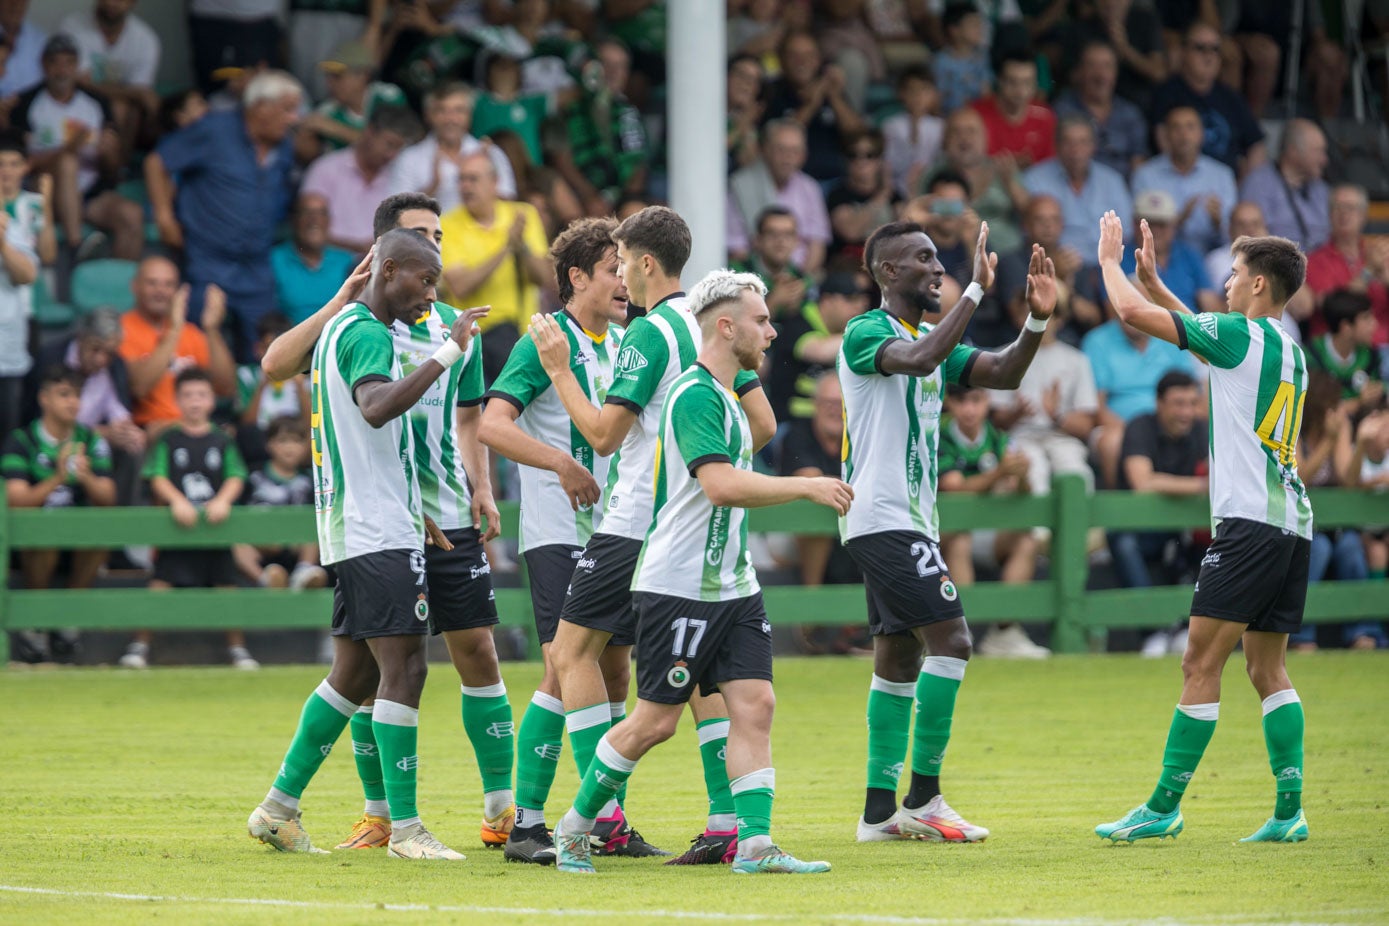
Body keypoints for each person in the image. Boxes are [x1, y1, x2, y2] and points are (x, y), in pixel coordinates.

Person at [551, 269, 852, 876]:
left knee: (756, 704)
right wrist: (807, 486)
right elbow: (717, 485)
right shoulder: (693, 395)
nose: (772, 331)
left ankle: (757, 846)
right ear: (726, 326)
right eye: (762, 320)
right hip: (679, 583)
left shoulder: (728, 397)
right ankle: (574, 829)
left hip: (733, 584)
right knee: (655, 721)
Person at [257, 191, 512, 854]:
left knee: (357, 673)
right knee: (403, 668)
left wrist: (435, 502)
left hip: (403, 516)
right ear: (383, 262)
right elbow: (372, 408)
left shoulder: (396, 324)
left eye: (438, 260)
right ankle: (399, 824)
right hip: (372, 529)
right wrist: (446, 354)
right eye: (421, 262)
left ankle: (278, 807)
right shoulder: (360, 328)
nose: (434, 282)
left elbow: (444, 423)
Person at [526, 207, 776, 867]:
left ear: (640, 262)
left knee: (571, 655)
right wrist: (701, 463)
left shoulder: (647, 333)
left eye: (619, 261)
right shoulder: (706, 327)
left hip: (633, 521)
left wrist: (557, 369)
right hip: (694, 534)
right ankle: (728, 822)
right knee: (703, 680)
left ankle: (596, 818)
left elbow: (602, 435)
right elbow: (763, 423)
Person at [1095, 212, 1313, 844]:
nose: (1226, 279)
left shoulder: (1237, 335)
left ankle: (1163, 807)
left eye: (1237, 273)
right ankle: (1289, 811)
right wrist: (1158, 284)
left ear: (1260, 288)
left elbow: (1134, 319)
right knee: (1267, 670)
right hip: (1291, 522)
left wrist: (1110, 264)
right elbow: (1192, 329)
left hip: (1246, 523)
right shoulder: (1288, 349)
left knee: (1198, 661)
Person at [840, 220, 1057, 843]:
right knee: (955, 641)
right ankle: (926, 798)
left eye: (940, 258)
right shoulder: (869, 331)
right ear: (887, 272)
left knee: (899, 658)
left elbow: (1005, 372)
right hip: (884, 516)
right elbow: (921, 358)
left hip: (905, 519)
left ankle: (879, 814)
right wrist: (976, 294)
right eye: (924, 258)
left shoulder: (927, 336)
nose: (938, 268)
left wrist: (1035, 322)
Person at [476, 216, 633, 865]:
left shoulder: (626, 341)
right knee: (562, 665)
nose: (625, 281)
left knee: (616, 666)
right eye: (612, 270)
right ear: (576, 278)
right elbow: (491, 426)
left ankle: (602, 818)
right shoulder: (544, 340)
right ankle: (531, 824)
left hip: (617, 531)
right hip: (557, 535)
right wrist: (561, 463)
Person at [145, 70, 302, 352]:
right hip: (208, 258)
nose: (295, 119)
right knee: (196, 347)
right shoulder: (214, 129)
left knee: (270, 348)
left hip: (256, 263)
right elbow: (157, 163)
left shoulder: (284, 144)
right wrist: (164, 215)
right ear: (260, 108)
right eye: (287, 110)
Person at [119, 367, 256, 671]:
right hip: (179, 530)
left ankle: (238, 649)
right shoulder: (169, 439)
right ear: (177, 400)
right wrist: (177, 501)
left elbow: (236, 476)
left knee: (226, 587)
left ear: (212, 400)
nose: (195, 401)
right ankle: (139, 646)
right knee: (160, 585)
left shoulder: (222, 440)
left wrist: (222, 500)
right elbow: (156, 476)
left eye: (202, 395)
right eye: (188, 395)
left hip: (215, 529)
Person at [2, 365, 116, 664]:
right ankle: (37, 625)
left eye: (77, 395)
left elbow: (108, 497)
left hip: (77, 536)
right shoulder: (21, 440)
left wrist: (86, 476)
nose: (73, 402)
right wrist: (58, 476)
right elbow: (16, 500)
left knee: (99, 536)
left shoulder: (90, 440)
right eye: (64, 395)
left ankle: (68, 621)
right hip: (29, 541)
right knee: (43, 537)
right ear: (44, 398)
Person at [937, 383, 1050, 659]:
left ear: (987, 401)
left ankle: (1004, 633)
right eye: (961, 401)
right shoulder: (938, 439)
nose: (969, 409)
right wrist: (999, 473)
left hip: (990, 535)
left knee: (1026, 540)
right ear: (949, 403)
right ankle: (961, 633)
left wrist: (1021, 475)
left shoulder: (999, 439)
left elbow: (1024, 493)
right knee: (960, 539)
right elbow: (954, 486)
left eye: (976, 400)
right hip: (945, 537)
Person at [13, 34, 144, 260]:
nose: (62, 70)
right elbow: (22, 164)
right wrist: (69, 148)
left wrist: (109, 153)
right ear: (44, 65)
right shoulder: (25, 104)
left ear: (77, 66)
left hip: (91, 194)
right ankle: (77, 248)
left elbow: (113, 169)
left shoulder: (97, 102)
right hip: (47, 196)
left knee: (132, 215)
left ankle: (123, 285)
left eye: (69, 63)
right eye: (55, 62)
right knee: (67, 162)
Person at [1109, 369, 1209, 655]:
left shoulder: (1201, 430)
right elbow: (1143, 482)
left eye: (1192, 403)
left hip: (1184, 529)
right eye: (1179, 403)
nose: (1186, 412)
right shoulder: (1140, 426)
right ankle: (1152, 630)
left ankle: (1186, 630)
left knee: (1217, 543)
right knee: (1124, 543)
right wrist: (1201, 484)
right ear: (1159, 403)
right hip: (1138, 526)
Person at [440, 151, 552, 386]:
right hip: (470, 340)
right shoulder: (448, 224)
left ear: (494, 183)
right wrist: (505, 248)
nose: (465, 186)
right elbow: (460, 287)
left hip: (520, 338)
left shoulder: (523, 214)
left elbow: (543, 278)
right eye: (461, 179)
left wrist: (521, 247)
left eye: (473, 179)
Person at [118, 258, 236, 431]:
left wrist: (212, 330)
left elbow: (226, 388)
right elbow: (139, 387)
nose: (160, 291)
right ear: (134, 286)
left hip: (198, 426)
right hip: (151, 427)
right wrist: (173, 331)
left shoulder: (191, 333)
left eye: (168, 285)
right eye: (152, 283)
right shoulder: (122, 329)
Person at [301, 104, 422, 255]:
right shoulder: (325, 170)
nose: (391, 155)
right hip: (329, 266)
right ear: (369, 133)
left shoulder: (397, 177)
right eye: (389, 144)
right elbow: (308, 229)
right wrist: (356, 247)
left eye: (398, 148)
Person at [1149, 22, 1265, 175]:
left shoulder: (1230, 97)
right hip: (1180, 181)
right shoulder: (1167, 93)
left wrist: (1244, 186)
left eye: (1215, 49)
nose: (1208, 56)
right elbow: (1163, 140)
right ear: (1183, 52)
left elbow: (1256, 146)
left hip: (1226, 188)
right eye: (1200, 48)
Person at [553, 39, 650, 215]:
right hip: (581, 194)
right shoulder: (570, 107)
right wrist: (590, 196)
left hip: (620, 197)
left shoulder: (628, 111)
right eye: (607, 64)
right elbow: (561, 159)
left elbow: (638, 165)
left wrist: (619, 198)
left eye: (621, 66)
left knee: (636, 213)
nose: (614, 73)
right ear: (591, 67)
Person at [390, 81, 517, 215]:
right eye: (441, 111)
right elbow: (396, 216)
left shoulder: (491, 154)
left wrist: (482, 177)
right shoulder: (409, 159)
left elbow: (507, 208)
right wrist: (433, 187)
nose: (451, 119)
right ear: (428, 115)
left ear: (470, 115)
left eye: (459, 110)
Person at [231, 415, 327, 591]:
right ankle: (265, 579)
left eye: (296, 441)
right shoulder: (253, 477)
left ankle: (303, 572)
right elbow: (239, 514)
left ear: (306, 446)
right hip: (259, 543)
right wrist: (262, 537)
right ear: (269, 444)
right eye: (282, 441)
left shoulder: (310, 481)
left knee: (314, 531)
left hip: (296, 544)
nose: (289, 447)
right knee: (238, 546)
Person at [58, 0, 162, 160]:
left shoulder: (146, 38)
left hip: (128, 110)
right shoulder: (73, 26)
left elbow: (142, 93)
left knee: (138, 108)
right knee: (119, 106)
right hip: (77, 99)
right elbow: (81, 83)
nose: (114, 3)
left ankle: (121, 168)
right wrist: (129, 92)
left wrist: (134, 94)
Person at [727, 119, 831, 275]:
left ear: (804, 155)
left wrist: (798, 282)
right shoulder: (739, 185)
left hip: (800, 280)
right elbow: (737, 250)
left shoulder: (810, 188)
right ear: (765, 150)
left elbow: (817, 245)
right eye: (781, 150)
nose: (788, 158)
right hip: (754, 280)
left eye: (795, 151)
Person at [759, 30, 865, 184]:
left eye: (809, 55)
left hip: (836, 181)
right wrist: (812, 104)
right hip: (789, 183)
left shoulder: (830, 90)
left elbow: (857, 137)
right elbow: (778, 137)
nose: (802, 61)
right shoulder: (772, 92)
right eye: (793, 55)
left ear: (818, 60)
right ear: (781, 60)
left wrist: (834, 97)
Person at [1022, 115, 1132, 261]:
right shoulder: (1035, 179)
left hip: (1106, 266)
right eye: (1068, 142)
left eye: (1083, 142)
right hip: (1054, 265)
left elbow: (1127, 232)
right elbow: (1030, 232)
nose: (1076, 150)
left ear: (1094, 146)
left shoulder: (1112, 181)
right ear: (1056, 145)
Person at [1130, 107, 1238, 255]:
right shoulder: (1146, 175)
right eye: (1176, 127)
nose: (1184, 134)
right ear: (1166, 135)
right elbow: (1137, 230)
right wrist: (1177, 221)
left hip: (1211, 255)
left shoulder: (1222, 175)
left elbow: (1234, 234)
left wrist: (1218, 223)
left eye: (1190, 127)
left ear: (1201, 134)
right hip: (1160, 255)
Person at [765, 271, 868, 424]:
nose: (857, 308)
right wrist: (869, 333)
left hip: (830, 424)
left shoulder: (842, 331)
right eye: (849, 300)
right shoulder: (798, 323)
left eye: (860, 301)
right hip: (789, 424)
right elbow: (821, 351)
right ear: (827, 300)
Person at [0, 131, 48, 442]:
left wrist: (2, 243)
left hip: (7, 344)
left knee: (8, 431)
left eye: (13, 164)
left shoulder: (11, 224)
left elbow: (27, 274)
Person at [1111, 190, 1222, 315]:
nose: (1155, 230)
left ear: (1174, 225)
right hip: (1140, 330)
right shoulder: (1118, 256)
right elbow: (1113, 312)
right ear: (1134, 224)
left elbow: (1211, 307)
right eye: (1147, 224)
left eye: (1162, 224)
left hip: (1188, 329)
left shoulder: (1189, 254)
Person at [1304, 185, 1389, 347]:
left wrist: (1386, 278)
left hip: (1383, 347)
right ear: (1329, 215)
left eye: (1351, 208)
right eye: (1337, 207)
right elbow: (1336, 308)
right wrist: (1369, 271)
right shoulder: (1314, 261)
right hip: (1339, 354)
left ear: (1363, 216)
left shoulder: (1379, 254)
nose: (1344, 213)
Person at [1052, 40, 1148, 180]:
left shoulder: (1130, 113)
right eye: (1092, 66)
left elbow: (1138, 162)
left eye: (1107, 66)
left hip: (1122, 194)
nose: (1100, 75)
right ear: (1079, 72)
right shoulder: (1063, 110)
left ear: (1115, 73)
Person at [296, 40, 406, 160]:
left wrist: (334, 128)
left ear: (363, 75)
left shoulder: (387, 96)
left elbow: (389, 146)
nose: (330, 83)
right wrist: (305, 136)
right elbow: (310, 157)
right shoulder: (327, 111)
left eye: (337, 76)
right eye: (328, 76)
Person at [1238, 121, 1330, 253]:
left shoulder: (1321, 189)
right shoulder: (1259, 184)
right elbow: (1252, 236)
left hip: (1322, 266)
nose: (1324, 159)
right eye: (1317, 151)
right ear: (1293, 151)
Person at [271, 193, 358, 325]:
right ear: (294, 220)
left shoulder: (346, 262)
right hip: (290, 341)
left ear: (329, 221)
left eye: (321, 213)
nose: (314, 220)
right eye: (306, 212)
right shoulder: (275, 260)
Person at [826, 129, 902, 266]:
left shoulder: (895, 196)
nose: (861, 161)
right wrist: (882, 195)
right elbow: (851, 231)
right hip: (848, 264)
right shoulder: (838, 195)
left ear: (880, 160)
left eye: (869, 155)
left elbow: (905, 232)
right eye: (853, 155)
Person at [969, 52, 1056, 169]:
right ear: (999, 81)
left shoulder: (1045, 116)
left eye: (1027, 83)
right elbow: (967, 161)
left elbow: (1051, 166)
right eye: (1012, 82)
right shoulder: (975, 114)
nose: (1020, 91)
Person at [731, 206, 814, 324]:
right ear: (757, 240)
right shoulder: (737, 274)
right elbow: (736, 327)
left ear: (796, 241)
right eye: (772, 233)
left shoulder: (803, 280)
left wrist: (797, 310)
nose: (780, 240)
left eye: (788, 234)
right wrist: (774, 301)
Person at [1305, 290, 1384, 411]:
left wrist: (1379, 392)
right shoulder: (1311, 356)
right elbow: (1317, 411)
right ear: (1346, 327)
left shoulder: (1371, 356)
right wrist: (1359, 403)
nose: (1374, 324)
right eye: (1366, 318)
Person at [881, 66, 943, 197]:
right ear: (901, 94)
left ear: (933, 94)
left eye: (924, 90)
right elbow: (890, 163)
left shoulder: (940, 126)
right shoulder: (892, 125)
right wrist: (913, 132)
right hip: (898, 189)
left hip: (931, 189)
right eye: (912, 90)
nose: (918, 96)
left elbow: (940, 160)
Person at [931, 2, 992, 115]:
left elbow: (986, 93)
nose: (979, 29)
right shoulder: (940, 62)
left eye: (979, 24)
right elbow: (936, 100)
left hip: (977, 118)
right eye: (973, 25)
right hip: (948, 118)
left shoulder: (983, 57)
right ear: (954, 30)